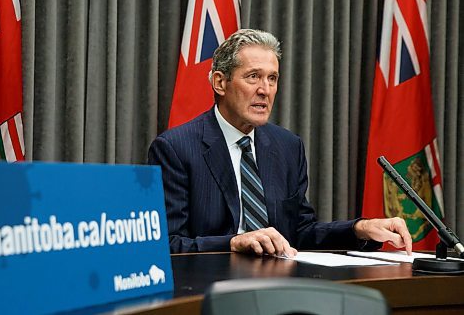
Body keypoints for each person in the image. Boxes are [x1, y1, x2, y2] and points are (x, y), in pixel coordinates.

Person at [148, 29, 412, 256]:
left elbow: (301, 231)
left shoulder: (287, 146)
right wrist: (233, 243)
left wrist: (359, 229)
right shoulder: (176, 148)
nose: (265, 89)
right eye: (253, 76)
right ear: (220, 82)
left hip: (278, 284)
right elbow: (168, 244)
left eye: (272, 78)